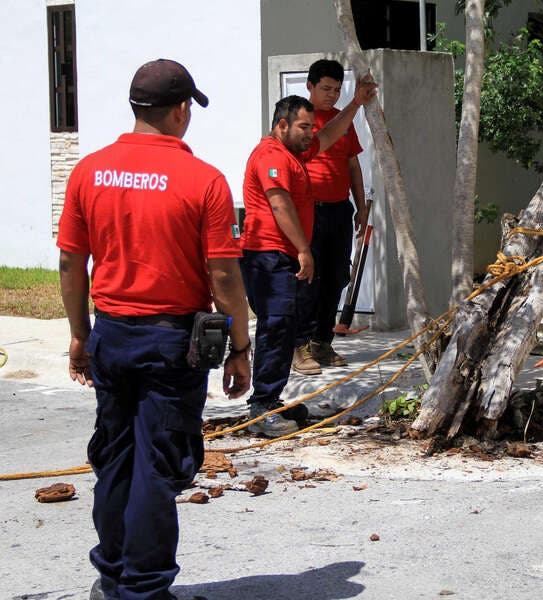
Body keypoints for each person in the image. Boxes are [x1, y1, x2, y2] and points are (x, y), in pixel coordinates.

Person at [57, 59, 251, 600]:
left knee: (116, 458)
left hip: (112, 334)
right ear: (181, 109)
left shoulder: (89, 171)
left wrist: (80, 334)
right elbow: (222, 275)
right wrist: (240, 347)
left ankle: (112, 574)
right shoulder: (205, 180)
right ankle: (143, 589)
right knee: (157, 466)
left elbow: (72, 264)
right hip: (172, 342)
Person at [239, 75, 376, 436]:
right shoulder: (271, 155)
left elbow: (330, 135)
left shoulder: (295, 151)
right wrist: (303, 249)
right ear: (281, 125)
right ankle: (261, 407)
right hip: (267, 256)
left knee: (286, 328)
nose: (309, 133)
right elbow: (279, 204)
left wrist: (356, 103)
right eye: (302, 127)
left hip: (282, 256)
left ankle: (270, 400)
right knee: (277, 327)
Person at [293, 58, 368, 375]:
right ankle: (299, 347)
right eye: (326, 88)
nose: (331, 95)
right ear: (310, 86)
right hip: (308, 211)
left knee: (337, 277)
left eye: (337, 89)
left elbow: (352, 165)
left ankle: (323, 342)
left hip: (339, 209)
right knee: (307, 279)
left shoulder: (343, 121)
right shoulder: (299, 120)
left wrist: (361, 207)